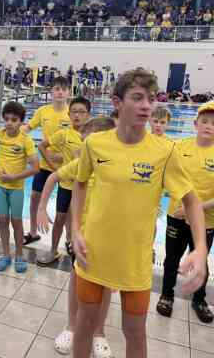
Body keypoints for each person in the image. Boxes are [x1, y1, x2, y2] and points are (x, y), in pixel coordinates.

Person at [71, 69, 207, 358]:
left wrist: (200, 249)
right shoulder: (95, 143)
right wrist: (75, 230)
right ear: (117, 102)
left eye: (151, 98)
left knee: (134, 333)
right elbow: (80, 183)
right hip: (93, 255)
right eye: (138, 97)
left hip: (135, 262)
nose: (147, 105)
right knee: (84, 324)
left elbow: (192, 201)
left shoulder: (164, 151)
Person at [37, 116, 116, 357]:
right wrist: (41, 208)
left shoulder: (117, 167)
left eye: (87, 141)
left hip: (109, 237)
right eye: (83, 141)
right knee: (76, 281)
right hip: (82, 236)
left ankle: (99, 332)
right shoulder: (82, 163)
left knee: (105, 286)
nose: (83, 146)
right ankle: (71, 326)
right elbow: (53, 178)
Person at [157, 101, 214, 323]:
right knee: (171, 258)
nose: (209, 126)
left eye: (213, 123)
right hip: (176, 214)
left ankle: (199, 300)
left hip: (206, 220)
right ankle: (166, 295)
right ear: (195, 124)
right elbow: (165, 177)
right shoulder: (179, 147)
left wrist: (195, 208)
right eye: (205, 121)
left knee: (201, 260)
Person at [0, 101, 39, 273]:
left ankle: (19, 255)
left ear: (21, 122)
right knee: (2, 220)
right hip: (0, 186)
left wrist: (14, 177)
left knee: (16, 222)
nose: (9, 123)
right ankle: (6, 254)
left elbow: (36, 168)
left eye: (14, 120)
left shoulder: (26, 140)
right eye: (6, 119)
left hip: (16, 188)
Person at [36, 96, 90, 265]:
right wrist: (54, 167)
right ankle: (53, 251)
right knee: (60, 218)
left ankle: (76, 248)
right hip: (66, 185)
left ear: (88, 115)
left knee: (81, 222)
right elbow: (41, 146)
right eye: (74, 112)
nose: (77, 115)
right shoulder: (64, 134)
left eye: (81, 112)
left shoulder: (93, 137)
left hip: (84, 187)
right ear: (69, 114)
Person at [22, 76, 71, 245]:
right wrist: (12, 131)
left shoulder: (71, 113)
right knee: (34, 197)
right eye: (57, 89)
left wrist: (62, 156)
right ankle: (33, 232)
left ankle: (69, 239)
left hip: (66, 165)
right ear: (51, 91)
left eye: (63, 89)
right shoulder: (43, 111)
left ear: (68, 92)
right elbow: (28, 127)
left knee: (67, 206)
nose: (60, 92)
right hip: (45, 163)